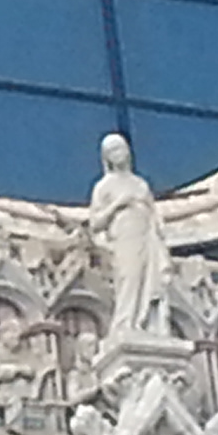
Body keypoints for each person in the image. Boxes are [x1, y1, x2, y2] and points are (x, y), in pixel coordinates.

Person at [88, 134, 171, 340]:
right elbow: (95, 223)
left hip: (147, 236)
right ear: (106, 157)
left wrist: (159, 230)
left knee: (151, 280)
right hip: (124, 238)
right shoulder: (104, 186)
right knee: (129, 278)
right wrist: (119, 204)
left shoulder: (140, 184)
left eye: (122, 148)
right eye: (114, 150)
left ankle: (149, 324)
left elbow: (153, 212)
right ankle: (125, 323)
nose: (120, 154)